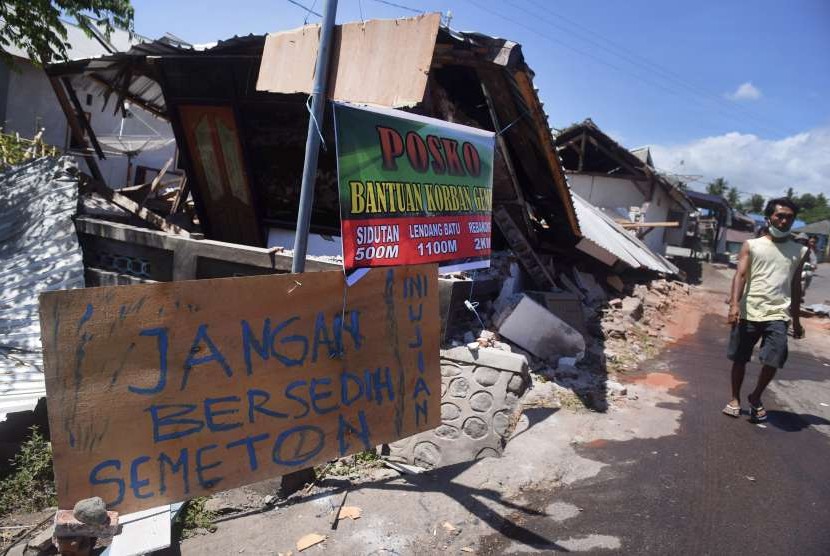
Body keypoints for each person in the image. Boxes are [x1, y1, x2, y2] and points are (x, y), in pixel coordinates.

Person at [722, 197, 809, 422]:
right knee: (740, 358)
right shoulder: (752, 245)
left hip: (778, 314)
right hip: (750, 310)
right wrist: (734, 305)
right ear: (769, 217)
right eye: (779, 215)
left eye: (789, 217)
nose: (784, 220)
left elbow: (796, 286)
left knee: (774, 359)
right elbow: (740, 275)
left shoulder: (799, 251)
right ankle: (735, 399)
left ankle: (756, 396)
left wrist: (797, 321)